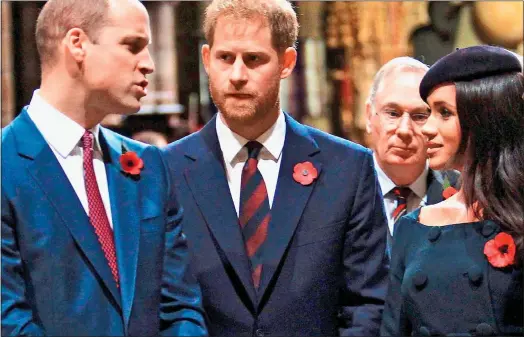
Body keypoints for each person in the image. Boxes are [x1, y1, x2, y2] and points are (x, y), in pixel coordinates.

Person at [162, 0, 389, 335]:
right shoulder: (167, 170)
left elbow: (368, 304)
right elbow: (165, 303)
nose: (237, 75)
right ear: (207, 59)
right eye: (226, 58)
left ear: (287, 62)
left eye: (254, 59)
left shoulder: (347, 169)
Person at [1, 0, 207, 335]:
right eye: (133, 46)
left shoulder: (149, 165)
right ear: (77, 44)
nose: (149, 65)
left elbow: (181, 306)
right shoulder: (5, 163)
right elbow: (7, 320)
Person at [381, 45, 523, 335]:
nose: (426, 128)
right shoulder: (413, 227)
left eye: (444, 113)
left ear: (486, 117)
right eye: (429, 112)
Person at [365, 57, 460, 257]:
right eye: (392, 113)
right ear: (368, 116)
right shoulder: (340, 192)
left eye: (419, 116)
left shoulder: (462, 192)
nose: (405, 130)